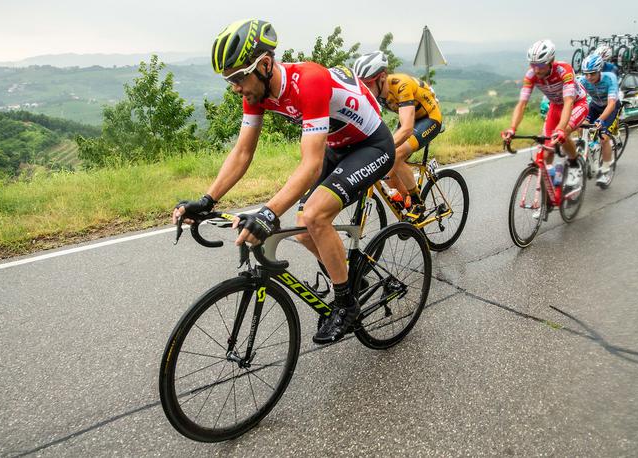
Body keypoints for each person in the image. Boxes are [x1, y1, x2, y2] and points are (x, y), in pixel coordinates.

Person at [172, 19, 395, 344]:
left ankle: (346, 305)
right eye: (229, 79)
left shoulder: (310, 80)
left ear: (264, 65)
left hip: (371, 145)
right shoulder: (256, 92)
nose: (235, 87)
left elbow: (310, 162)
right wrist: (207, 200)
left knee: (316, 215)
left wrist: (268, 212)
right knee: (305, 228)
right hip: (337, 146)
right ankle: (349, 280)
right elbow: (243, 152)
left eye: (237, 77)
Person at [353, 51, 442, 218]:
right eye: (361, 85)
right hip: (408, 116)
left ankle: (417, 203)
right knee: (385, 165)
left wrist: (382, 147)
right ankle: (407, 201)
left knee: (396, 155)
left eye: (368, 83)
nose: (365, 89)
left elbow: (407, 128)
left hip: (429, 118)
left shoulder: (401, 84)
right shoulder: (373, 92)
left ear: (382, 77)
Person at [502, 39, 589, 189]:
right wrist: (512, 128)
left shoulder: (564, 70)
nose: (536, 70)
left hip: (576, 104)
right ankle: (551, 182)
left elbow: (568, 101)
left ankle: (575, 165)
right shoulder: (531, 76)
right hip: (555, 107)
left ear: (551, 61)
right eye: (533, 65)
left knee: (563, 133)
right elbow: (522, 104)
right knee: (547, 149)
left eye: (540, 65)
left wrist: (561, 129)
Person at [577, 54, 620, 187]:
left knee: (604, 138)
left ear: (599, 70)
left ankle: (606, 170)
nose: (589, 77)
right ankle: (588, 148)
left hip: (610, 107)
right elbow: (575, 99)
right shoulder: (583, 81)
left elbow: (611, 104)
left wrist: (601, 120)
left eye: (593, 74)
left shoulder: (610, 79)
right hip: (595, 106)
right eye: (587, 74)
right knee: (580, 125)